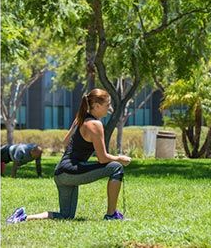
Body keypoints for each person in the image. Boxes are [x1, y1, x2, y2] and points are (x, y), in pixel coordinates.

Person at [7, 89, 132, 223]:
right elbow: (102, 158)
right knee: (116, 167)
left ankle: (22, 217)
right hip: (70, 172)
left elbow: (65, 142)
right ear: (96, 105)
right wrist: (120, 158)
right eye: (107, 105)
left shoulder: (81, 119)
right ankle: (111, 215)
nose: (109, 108)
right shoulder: (95, 124)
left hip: (61, 173)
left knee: (66, 216)